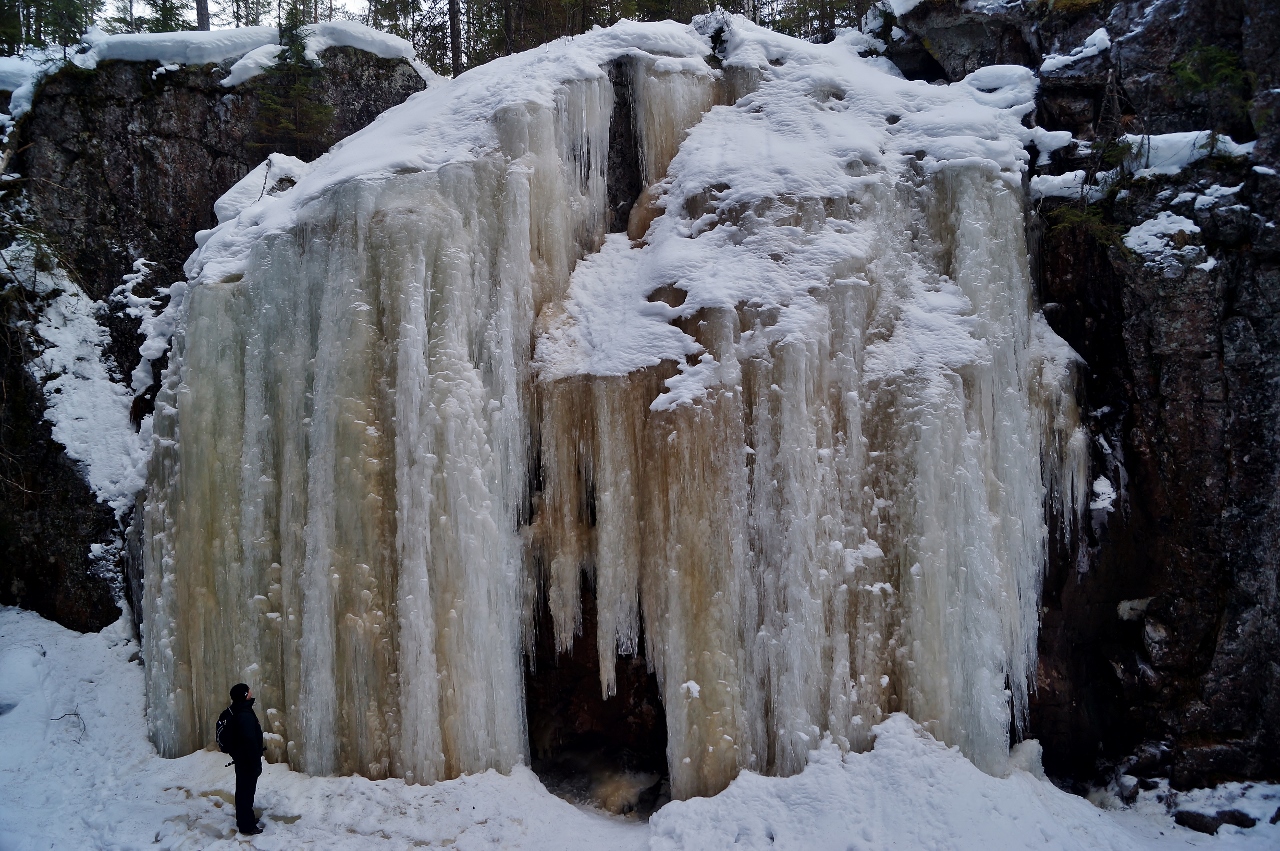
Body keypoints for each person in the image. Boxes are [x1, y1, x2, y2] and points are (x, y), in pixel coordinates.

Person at [222, 683, 265, 835]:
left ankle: (246, 819)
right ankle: (247, 826)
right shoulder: (244, 714)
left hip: (241, 758)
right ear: (244, 694)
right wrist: (255, 762)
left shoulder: (238, 710)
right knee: (246, 792)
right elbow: (249, 739)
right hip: (247, 760)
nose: (251, 692)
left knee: (244, 791)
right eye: (248, 691)